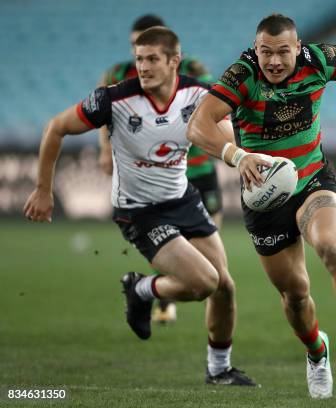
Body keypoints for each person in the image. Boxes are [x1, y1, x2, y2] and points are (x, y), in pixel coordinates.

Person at [187, 13, 336, 399]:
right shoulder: (241, 76)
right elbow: (199, 125)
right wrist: (237, 157)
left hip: (311, 179)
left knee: (331, 247)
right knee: (295, 294)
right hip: (264, 197)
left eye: (283, 52)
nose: (273, 61)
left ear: (298, 47)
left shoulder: (319, 60)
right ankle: (316, 352)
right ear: (255, 50)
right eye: (265, 52)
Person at [24, 27, 256, 386]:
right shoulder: (113, 99)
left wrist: (242, 157)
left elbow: (225, 134)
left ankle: (219, 370)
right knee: (206, 282)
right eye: (139, 59)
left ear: (173, 61)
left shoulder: (199, 94)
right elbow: (56, 128)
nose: (143, 67)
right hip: (139, 211)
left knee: (225, 285)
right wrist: (43, 190)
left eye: (151, 59)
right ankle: (142, 289)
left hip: (182, 199)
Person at [98, 14, 223, 323]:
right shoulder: (120, 75)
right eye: (134, 48)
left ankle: (204, 304)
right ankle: (163, 294)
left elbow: (212, 111)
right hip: (153, 181)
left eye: (149, 51)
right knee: (170, 244)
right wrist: (105, 149)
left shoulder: (193, 71)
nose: (138, 56)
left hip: (197, 168)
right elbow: (104, 113)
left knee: (215, 264)